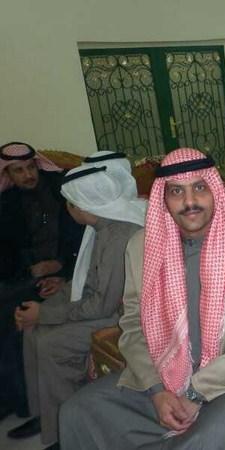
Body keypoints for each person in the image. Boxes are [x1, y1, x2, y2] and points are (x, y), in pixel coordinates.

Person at [59, 148, 225, 450]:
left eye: (199, 187)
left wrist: (195, 392)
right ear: (163, 198)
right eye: (176, 191)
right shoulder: (142, 248)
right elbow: (133, 326)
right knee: (77, 411)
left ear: (215, 190)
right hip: (165, 372)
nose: (189, 201)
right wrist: (157, 389)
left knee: (205, 441)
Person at [9, 154, 147, 449]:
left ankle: (67, 430)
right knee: (33, 327)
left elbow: (102, 304)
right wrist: (43, 310)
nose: (67, 210)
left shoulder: (119, 234)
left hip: (121, 315)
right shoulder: (99, 226)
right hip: (99, 304)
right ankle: (46, 415)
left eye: (69, 204)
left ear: (82, 207)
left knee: (50, 342)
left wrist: (45, 314)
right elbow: (86, 279)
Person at [0, 142, 84, 422]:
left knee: (16, 319)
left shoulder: (63, 193)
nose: (28, 175)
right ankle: (9, 398)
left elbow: (83, 243)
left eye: (31, 167)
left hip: (64, 273)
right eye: (19, 170)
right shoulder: (6, 204)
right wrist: (28, 268)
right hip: (24, 277)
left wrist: (61, 268)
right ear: (7, 174)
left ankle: (27, 405)